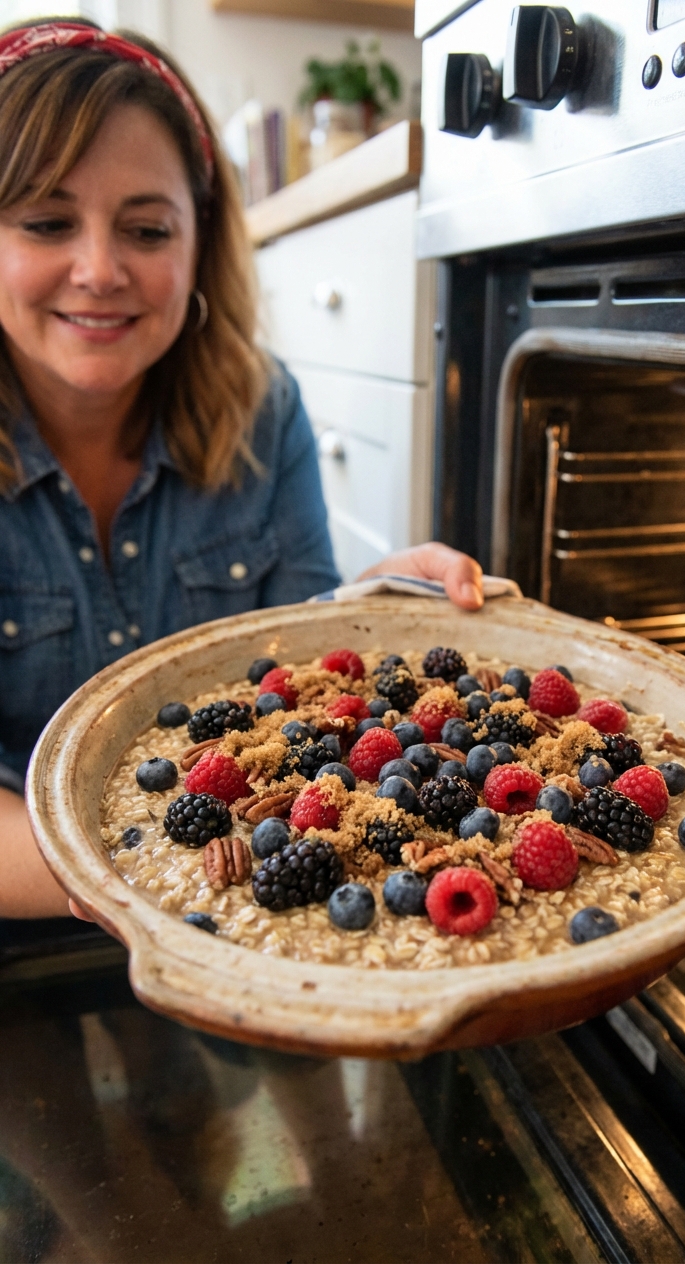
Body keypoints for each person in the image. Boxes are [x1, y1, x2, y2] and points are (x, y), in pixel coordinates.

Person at [0, 19, 483, 920]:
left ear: (200, 242)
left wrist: (372, 613)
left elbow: (287, 669)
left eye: (146, 228)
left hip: (248, 902)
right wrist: (132, 877)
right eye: (45, 222)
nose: (99, 269)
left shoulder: (262, 408)